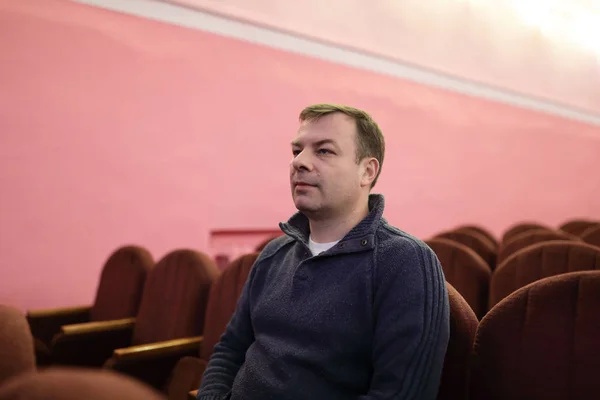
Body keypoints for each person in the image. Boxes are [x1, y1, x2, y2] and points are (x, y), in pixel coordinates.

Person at [197, 104, 450, 400]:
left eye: (324, 151)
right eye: (296, 151)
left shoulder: (405, 262)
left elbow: (399, 395)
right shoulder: (273, 255)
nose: (300, 163)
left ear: (367, 171)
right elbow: (229, 351)